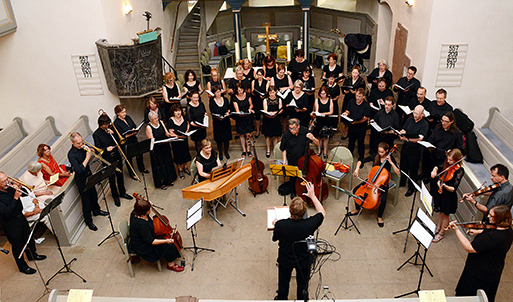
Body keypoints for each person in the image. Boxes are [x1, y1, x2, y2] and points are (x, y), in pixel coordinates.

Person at [447, 205, 513, 302]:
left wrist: (457, 230)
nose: (488, 217)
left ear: (499, 219)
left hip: (480, 272)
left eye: (491, 216)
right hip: (494, 269)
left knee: (468, 296)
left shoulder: (493, 237)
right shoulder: (508, 230)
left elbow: (470, 248)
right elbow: (491, 229)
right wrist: (478, 231)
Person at [272, 181, 325, 300]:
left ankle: (281, 298)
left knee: (283, 283)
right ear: (304, 212)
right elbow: (322, 212)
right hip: (303, 260)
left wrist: (276, 225)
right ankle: (302, 299)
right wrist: (313, 196)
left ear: (290, 210)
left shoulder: (281, 225)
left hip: (285, 259)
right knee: (302, 285)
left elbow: (275, 238)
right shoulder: (309, 224)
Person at [0, 172, 46, 275]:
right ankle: (23, 267)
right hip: (10, 223)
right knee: (17, 245)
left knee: (28, 237)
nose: (7, 182)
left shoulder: (10, 188)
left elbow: (25, 194)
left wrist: (19, 187)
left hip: (20, 217)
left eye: (7, 179)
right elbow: (6, 212)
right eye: (3, 182)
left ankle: (32, 255)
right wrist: (15, 197)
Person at [350, 142, 400, 227]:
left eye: (382, 152)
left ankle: (379, 217)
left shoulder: (390, 158)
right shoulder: (375, 156)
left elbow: (398, 172)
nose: (380, 154)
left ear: (387, 151)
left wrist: (391, 162)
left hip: (382, 183)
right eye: (379, 151)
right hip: (371, 180)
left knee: (383, 200)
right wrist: (357, 169)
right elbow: (361, 161)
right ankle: (357, 209)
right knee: (356, 190)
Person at [129, 198, 184, 272]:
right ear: (145, 212)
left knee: (163, 237)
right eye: (149, 209)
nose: (151, 209)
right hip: (144, 246)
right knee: (169, 245)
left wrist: (147, 204)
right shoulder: (142, 225)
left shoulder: (135, 213)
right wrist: (166, 241)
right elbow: (151, 241)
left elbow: (140, 205)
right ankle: (171, 264)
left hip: (142, 238)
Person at [68, 132, 108, 231]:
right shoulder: (71, 154)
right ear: (73, 143)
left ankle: (96, 210)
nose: (81, 145)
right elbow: (79, 170)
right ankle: (88, 220)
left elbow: (96, 153)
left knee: (93, 194)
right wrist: (87, 157)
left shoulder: (83, 147)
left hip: (89, 175)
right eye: (78, 143)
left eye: (81, 142)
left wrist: (92, 150)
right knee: (86, 200)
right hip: (81, 179)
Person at [93, 114, 133, 207]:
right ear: (101, 124)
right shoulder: (96, 134)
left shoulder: (110, 130)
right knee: (111, 178)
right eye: (105, 125)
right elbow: (98, 148)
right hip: (107, 158)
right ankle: (115, 196)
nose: (107, 126)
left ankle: (122, 192)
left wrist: (113, 133)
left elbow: (119, 141)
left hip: (116, 155)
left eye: (108, 124)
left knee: (120, 174)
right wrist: (106, 149)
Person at [430, 148, 464, 243]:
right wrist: (434, 170)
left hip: (449, 196)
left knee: (445, 215)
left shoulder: (459, 170)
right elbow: (438, 166)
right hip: (442, 193)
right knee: (440, 212)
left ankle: (441, 233)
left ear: (456, 160)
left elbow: (453, 188)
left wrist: (444, 185)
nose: (448, 161)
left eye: (451, 160)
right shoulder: (447, 165)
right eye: (448, 159)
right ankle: (438, 227)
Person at [280, 119, 319, 198]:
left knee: (306, 176)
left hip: (305, 160)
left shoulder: (305, 131)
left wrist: (313, 138)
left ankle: (308, 191)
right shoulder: (286, 135)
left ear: (298, 126)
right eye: (290, 128)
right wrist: (284, 160)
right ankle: (294, 191)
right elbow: (283, 149)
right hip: (292, 160)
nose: (292, 131)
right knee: (293, 178)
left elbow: (317, 143)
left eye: (294, 128)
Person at [397, 105, 429, 197]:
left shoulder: (424, 124)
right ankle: (402, 182)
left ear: (422, 114)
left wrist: (407, 140)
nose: (415, 115)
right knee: (403, 166)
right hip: (405, 147)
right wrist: (400, 132)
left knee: (413, 170)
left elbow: (420, 138)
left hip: (415, 150)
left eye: (417, 114)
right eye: (414, 113)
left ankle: (411, 188)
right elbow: (404, 129)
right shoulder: (410, 119)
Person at [113, 105, 149, 180]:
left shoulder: (128, 117)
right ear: (117, 113)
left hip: (133, 139)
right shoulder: (116, 123)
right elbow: (123, 135)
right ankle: (132, 173)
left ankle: (141, 168)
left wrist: (132, 131)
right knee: (129, 158)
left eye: (125, 112)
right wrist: (132, 133)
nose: (124, 114)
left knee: (139, 153)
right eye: (122, 112)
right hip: (126, 143)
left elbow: (134, 125)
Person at [145, 111, 177, 190]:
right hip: (156, 149)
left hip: (164, 146)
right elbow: (151, 140)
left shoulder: (161, 122)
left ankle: (169, 179)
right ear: (150, 119)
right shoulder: (149, 127)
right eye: (154, 119)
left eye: (157, 118)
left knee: (167, 162)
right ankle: (161, 182)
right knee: (159, 164)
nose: (156, 120)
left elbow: (166, 133)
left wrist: (172, 135)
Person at [342, 88, 371, 160]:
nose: (357, 98)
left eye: (359, 96)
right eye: (357, 96)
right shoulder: (351, 101)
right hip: (352, 126)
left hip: (361, 127)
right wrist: (346, 113)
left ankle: (361, 158)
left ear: (363, 97)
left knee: (361, 143)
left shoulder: (366, 105)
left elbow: (365, 118)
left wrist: (356, 122)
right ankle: (349, 156)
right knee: (351, 142)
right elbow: (348, 110)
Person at [367, 79, 395, 153]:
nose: (381, 87)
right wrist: (371, 104)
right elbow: (370, 99)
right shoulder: (374, 91)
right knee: (373, 133)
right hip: (375, 113)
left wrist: (384, 104)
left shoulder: (389, 92)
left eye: (383, 86)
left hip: (386, 114)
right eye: (379, 86)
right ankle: (372, 148)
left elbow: (392, 102)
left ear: (386, 85)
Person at [166, 104, 192, 179]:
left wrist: (187, 132)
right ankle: (180, 169)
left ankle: (185, 167)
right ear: (173, 112)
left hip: (184, 139)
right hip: (176, 141)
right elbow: (171, 132)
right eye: (176, 111)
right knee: (178, 154)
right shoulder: (171, 120)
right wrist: (178, 136)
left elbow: (188, 125)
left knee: (185, 153)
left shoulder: (184, 117)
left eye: (179, 111)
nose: (178, 113)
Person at [341, 66, 366, 138]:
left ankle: (352, 131)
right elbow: (343, 88)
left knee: (354, 115)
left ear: (358, 73)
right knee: (346, 116)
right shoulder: (348, 79)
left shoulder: (361, 81)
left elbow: (362, 91)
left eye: (356, 73)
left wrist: (356, 92)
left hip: (356, 100)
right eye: (353, 72)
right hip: (347, 98)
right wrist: (345, 91)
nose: (354, 74)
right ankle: (346, 132)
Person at [209, 86, 232, 160]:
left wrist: (228, 113)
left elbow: (229, 108)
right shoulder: (212, 101)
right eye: (216, 92)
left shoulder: (225, 99)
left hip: (225, 121)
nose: (218, 93)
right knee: (219, 138)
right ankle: (220, 153)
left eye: (219, 92)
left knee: (226, 137)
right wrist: (218, 116)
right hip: (217, 122)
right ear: (214, 93)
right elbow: (212, 112)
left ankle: (226, 151)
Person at [232, 83, 255, 158]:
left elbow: (251, 104)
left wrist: (250, 109)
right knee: (241, 134)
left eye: (241, 89)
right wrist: (238, 112)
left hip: (247, 117)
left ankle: (248, 149)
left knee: (248, 134)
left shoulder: (247, 95)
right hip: (240, 118)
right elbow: (236, 109)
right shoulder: (234, 98)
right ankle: (244, 150)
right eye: (239, 90)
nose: (240, 92)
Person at [312, 86, 333, 159]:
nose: (322, 95)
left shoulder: (330, 100)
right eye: (321, 94)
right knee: (319, 137)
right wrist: (318, 113)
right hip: (319, 120)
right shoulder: (317, 100)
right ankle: (319, 150)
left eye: (324, 94)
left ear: (327, 93)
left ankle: (325, 152)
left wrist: (324, 114)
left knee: (325, 137)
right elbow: (317, 109)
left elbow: (331, 111)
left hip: (326, 120)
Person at [262, 86, 283, 158]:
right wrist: (269, 113)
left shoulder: (279, 99)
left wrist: (275, 113)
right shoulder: (265, 100)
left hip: (276, 119)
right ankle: (268, 150)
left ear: (276, 92)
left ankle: (275, 149)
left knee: (275, 135)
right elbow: (265, 110)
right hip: (268, 119)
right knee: (268, 135)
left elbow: (281, 110)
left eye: (273, 92)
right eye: (270, 92)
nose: (272, 94)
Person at [251, 68, 268, 138]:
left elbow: (267, 91)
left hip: (264, 100)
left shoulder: (266, 82)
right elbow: (252, 91)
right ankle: (257, 131)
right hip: (256, 100)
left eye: (261, 75)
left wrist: (264, 95)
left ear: (263, 75)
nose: (259, 76)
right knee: (257, 116)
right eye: (258, 75)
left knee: (265, 115)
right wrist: (259, 95)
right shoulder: (254, 81)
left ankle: (264, 130)